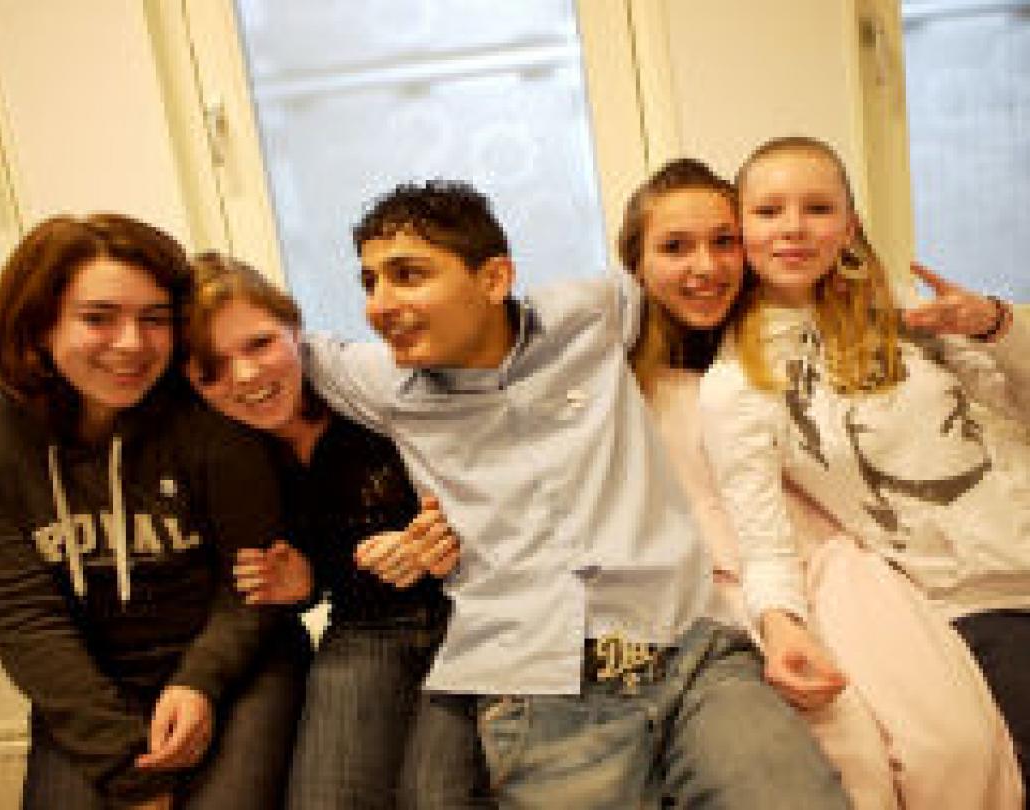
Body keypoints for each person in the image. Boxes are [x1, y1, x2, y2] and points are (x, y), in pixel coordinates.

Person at [294, 179, 851, 807]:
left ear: (494, 278)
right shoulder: (384, 383)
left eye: (408, 275)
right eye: (369, 282)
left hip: (692, 650)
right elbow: (265, 349)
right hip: (545, 688)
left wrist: (919, 318)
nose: (379, 305)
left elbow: (707, 269)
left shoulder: (591, 313)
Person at [621, 157, 1022, 808]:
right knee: (849, 759)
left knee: (951, 746)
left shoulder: (827, 336)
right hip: (733, 583)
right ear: (635, 263)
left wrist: (993, 324)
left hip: (847, 561)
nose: (705, 266)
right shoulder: (628, 375)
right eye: (674, 247)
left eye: (723, 241)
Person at [0, 214, 302, 810]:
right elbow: (26, 621)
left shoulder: (214, 419)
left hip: (234, 669)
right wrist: (126, 768)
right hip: (89, 685)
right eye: (98, 318)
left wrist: (198, 683)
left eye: (154, 319)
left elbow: (251, 587)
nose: (132, 343)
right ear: (39, 324)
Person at [181, 253, 489, 809]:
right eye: (213, 369)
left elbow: (499, 490)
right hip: (365, 628)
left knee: (435, 795)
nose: (246, 376)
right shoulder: (226, 454)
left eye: (260, 344)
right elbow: (314, 574)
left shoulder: (372, 393)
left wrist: (444, 535)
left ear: (294, 329)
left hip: (468, 618)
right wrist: (305, 583)